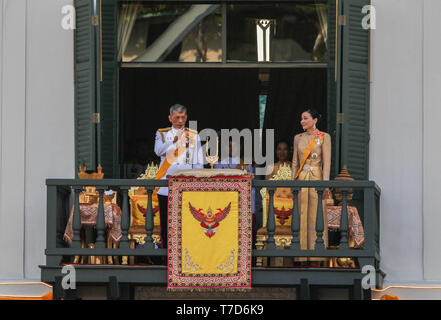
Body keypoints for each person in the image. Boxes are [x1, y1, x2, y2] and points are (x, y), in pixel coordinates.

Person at [154, 104, 204, 250]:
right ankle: (166, 255)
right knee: (167, 222)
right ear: (170, 118)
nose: (180, 120)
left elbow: (198, 162)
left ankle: (186, 251)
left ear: (186, 117)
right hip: (166, 186)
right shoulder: (162, 134)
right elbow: (158, 151)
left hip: (186, 185)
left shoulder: (194, 135)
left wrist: (197, 184)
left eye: (183, 117)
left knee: (187, 222)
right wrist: (174, 141)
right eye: (177, 117)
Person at [292, 109, 331, 266]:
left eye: (305, 118)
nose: (302, 121)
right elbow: (295, 161)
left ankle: (317, 255)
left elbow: (327, 162)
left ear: (315, 120)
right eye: (301, 118)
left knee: (316, 214)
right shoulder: (298, 138)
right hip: (302, 178)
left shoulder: (323, 137)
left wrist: (326, 183)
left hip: (316, 177)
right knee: (301, 214)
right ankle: (301, 255)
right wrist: (292, 181)